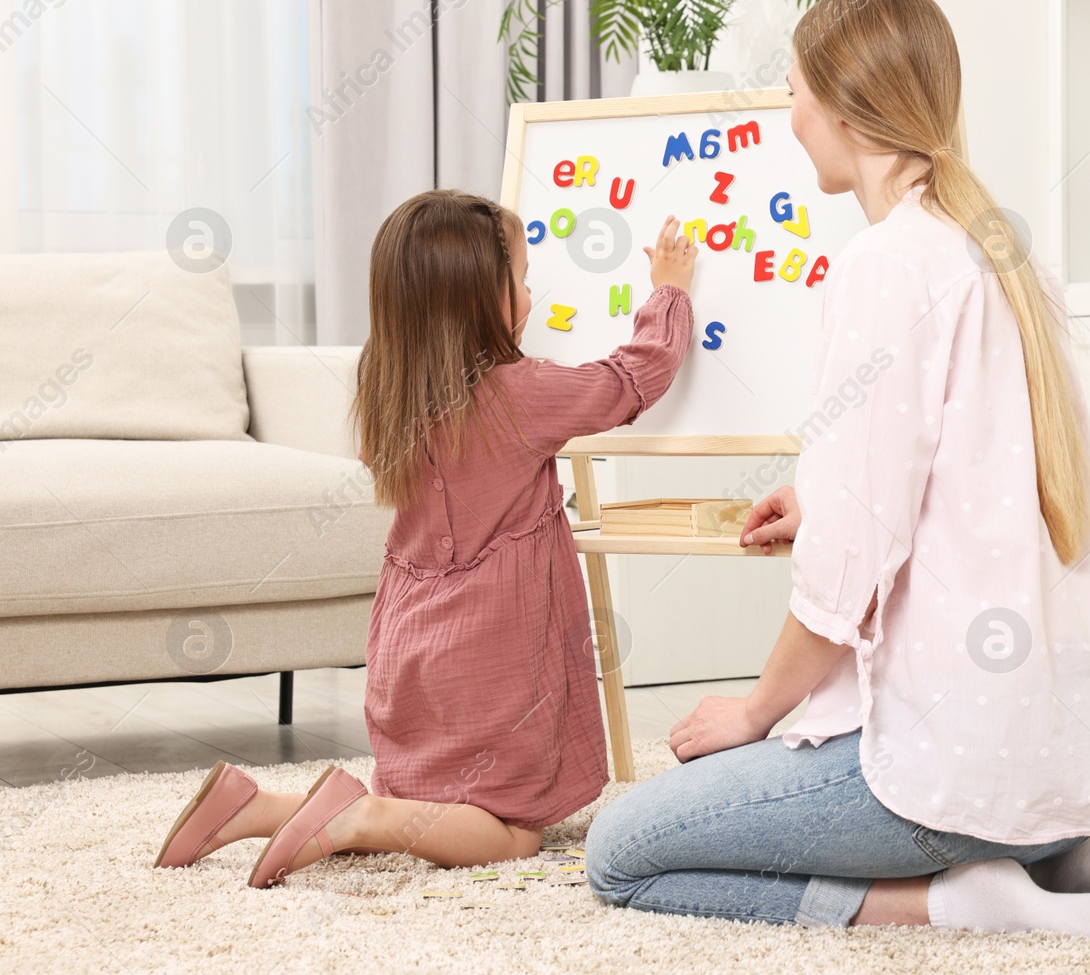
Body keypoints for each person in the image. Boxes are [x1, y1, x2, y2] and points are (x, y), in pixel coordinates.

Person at [583, 0, 1090, 935]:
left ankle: (954, 902)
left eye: (791, 92)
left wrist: (753, 710)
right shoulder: (1005, 255)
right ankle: (1053, 860)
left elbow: (845, 577)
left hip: (947, 782)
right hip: (1048, 772)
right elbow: (967, 482)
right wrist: (821, 493)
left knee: (620, 854)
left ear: (837, 103)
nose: (788, 119)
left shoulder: (886, 265)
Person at [152, 191, 697, 886]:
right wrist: (669, 295)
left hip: (408, 645)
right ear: (481, 297)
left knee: (428, 800)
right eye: (524, 280)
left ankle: (254, 807)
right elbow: (630, 379)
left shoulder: (385, 387)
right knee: (511, 829)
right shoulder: (519, 395)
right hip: (493, 655)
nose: (532, 294)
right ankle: (356, 819)